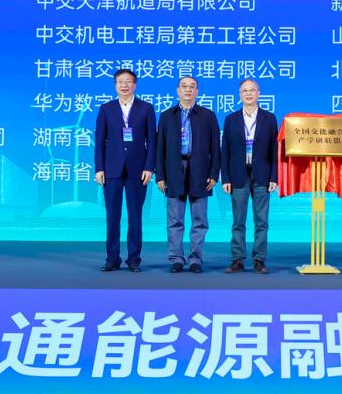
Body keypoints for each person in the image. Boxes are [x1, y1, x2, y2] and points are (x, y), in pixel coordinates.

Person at [156, 76, 220, 273]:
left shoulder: (207, 115)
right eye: (184, 86)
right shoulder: (167, 116)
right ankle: (176, 258)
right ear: (178, 90)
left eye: (192, 87)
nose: (188, 90)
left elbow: (215, 148)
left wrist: (214, 174)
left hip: (199, 169)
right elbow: (160, 148)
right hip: (174, 169)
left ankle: (195, 259)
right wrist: (160, 176)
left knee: (199, 219)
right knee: (175, 219)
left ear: (197, 92)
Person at [94, 68, 156, 272]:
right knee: (112, 216)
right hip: (111, 170)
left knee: (135, 216)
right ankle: (112, 258)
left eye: (128, 81)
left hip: (138, 170)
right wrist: (99, 168)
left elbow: (152, 141)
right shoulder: (106, 109)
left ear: (134, 85)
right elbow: (99, 141)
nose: (124, 85)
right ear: (115, 85)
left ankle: (134, 259)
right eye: (120, 82)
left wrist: (149, 167)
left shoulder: (146, 108)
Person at [220, 79, 278, 274]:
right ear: (240, 94)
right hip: (238, 175)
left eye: (252, 90)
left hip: (262, 174)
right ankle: (237, 259)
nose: (248, 94)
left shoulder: (269, 118)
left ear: (258, 93)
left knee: (261, 220)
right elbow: (225, 151)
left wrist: (274, 176)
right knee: (238, 220)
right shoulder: (231, 119)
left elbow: (274, 150)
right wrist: (226, 178)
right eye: (244, 91)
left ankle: (259, 259)